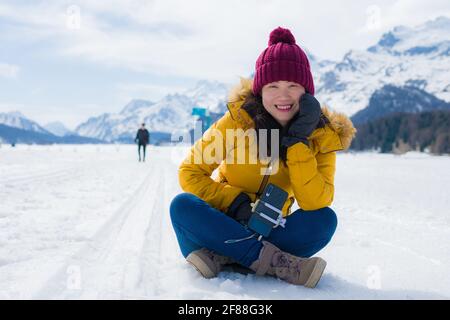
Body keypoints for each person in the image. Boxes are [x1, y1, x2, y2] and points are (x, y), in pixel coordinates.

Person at [170, 27, 356, 288]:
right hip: (223, 220)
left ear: (307, 91)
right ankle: (276, 263)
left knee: (324, 220)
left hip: (270, 229)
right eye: (273, 86)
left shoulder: (320, 137)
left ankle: (222, 254)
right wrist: (234, 202)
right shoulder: (238, 121)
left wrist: (298, 143)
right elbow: (190, 171)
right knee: (183, 206)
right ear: (260, 90)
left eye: (293, 85)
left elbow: (316, 201)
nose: (283, 95)